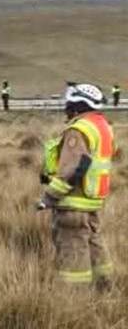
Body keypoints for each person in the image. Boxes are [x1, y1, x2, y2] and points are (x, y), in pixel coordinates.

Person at [37, 83, 116, 289]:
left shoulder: (78, 130)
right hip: (92, 200)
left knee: (73, 247)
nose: (67, 109)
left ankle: (74, 294)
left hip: (73, 201)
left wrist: (48, 197)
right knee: (94, 242)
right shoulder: (103, 127)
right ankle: (104, 286)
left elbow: (72, 169)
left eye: (70, 104)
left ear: (79, 104)